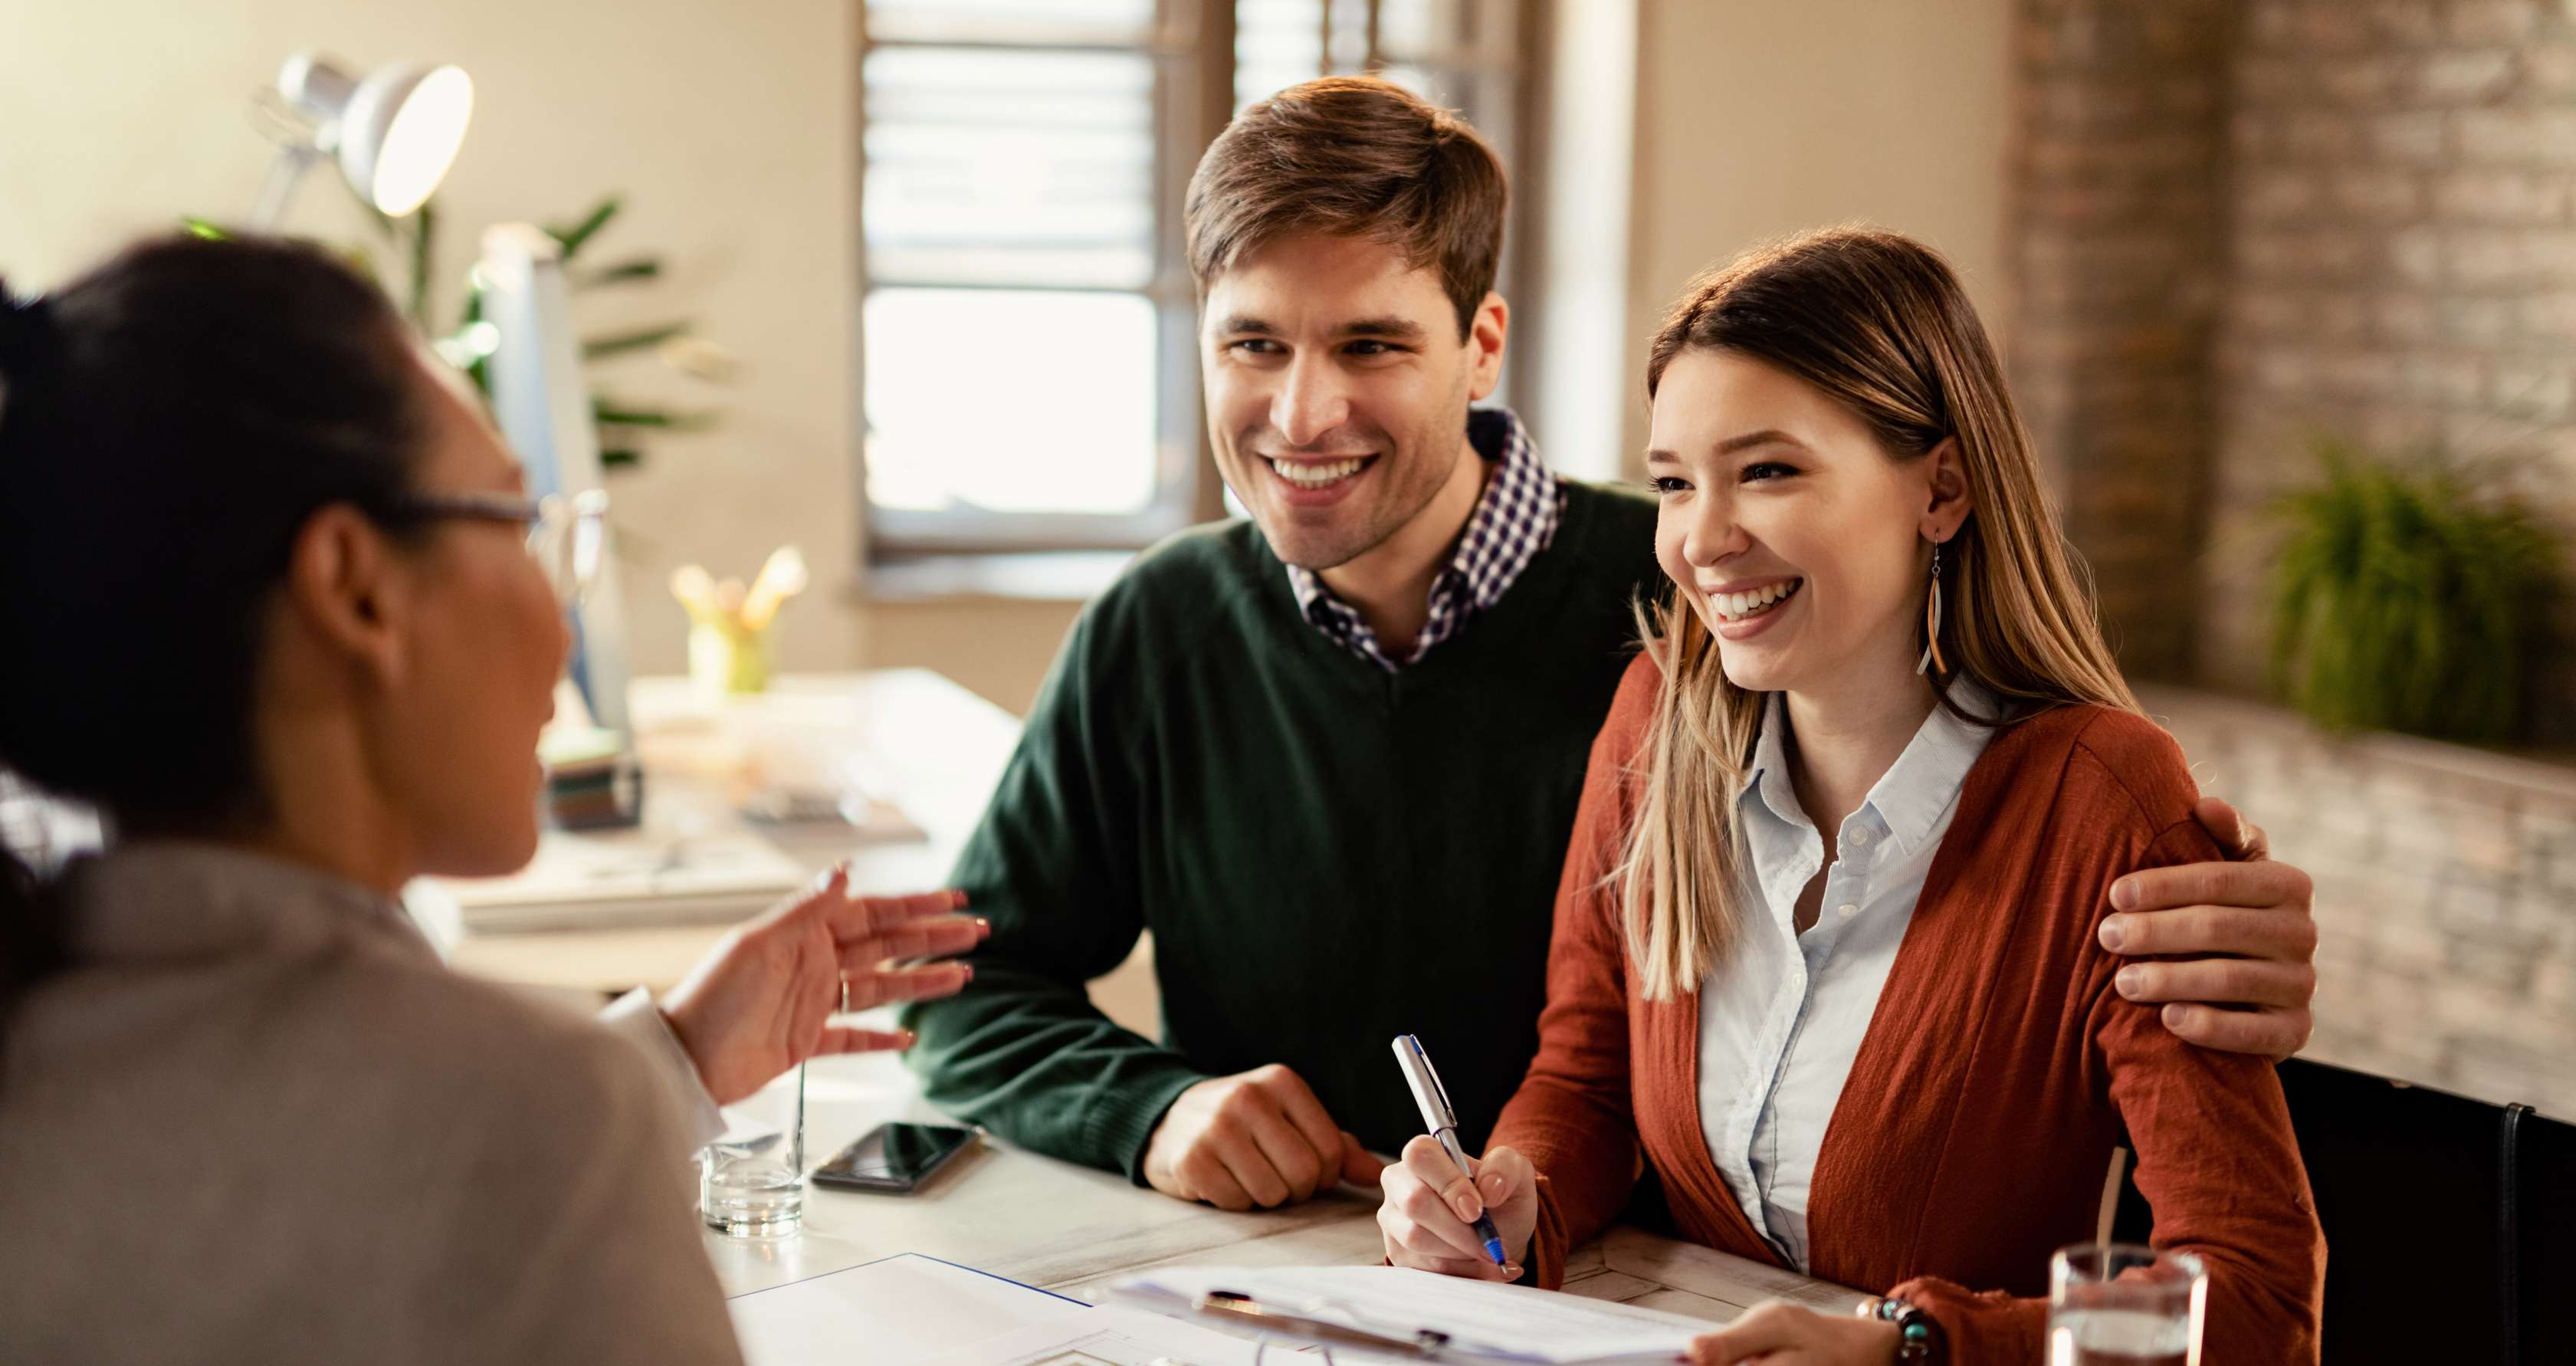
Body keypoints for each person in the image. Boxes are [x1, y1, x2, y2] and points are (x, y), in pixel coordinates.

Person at [905, 76, 2327, 1215]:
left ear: (1482, 345)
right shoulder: (1160, 628)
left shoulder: (1703, 624)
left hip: (1656, 1292)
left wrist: (2187, 899)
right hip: (1317, 1290)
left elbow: (1988, 858)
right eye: (1254, 344)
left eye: (1372, 345)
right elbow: (969, 992)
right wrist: (1155, 1109)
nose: (1300, 413)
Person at [0, 235, 983, 1364]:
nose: (560, 625)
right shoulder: (525, 1114)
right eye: (519, 525)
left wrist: (671, 1057)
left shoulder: (48, 1028)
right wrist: (595, 1102)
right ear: (356, 587)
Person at [1373, 229, 2324, 1363]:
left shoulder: (2104, 805)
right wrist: (1514, 1193)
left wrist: (1913, 1346)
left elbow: (2255, 1305)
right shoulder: (1655, 723)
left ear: (1941, 490)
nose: (1700, 539)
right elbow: (1584, 1079)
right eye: (1674, 482)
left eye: (1767, 470)